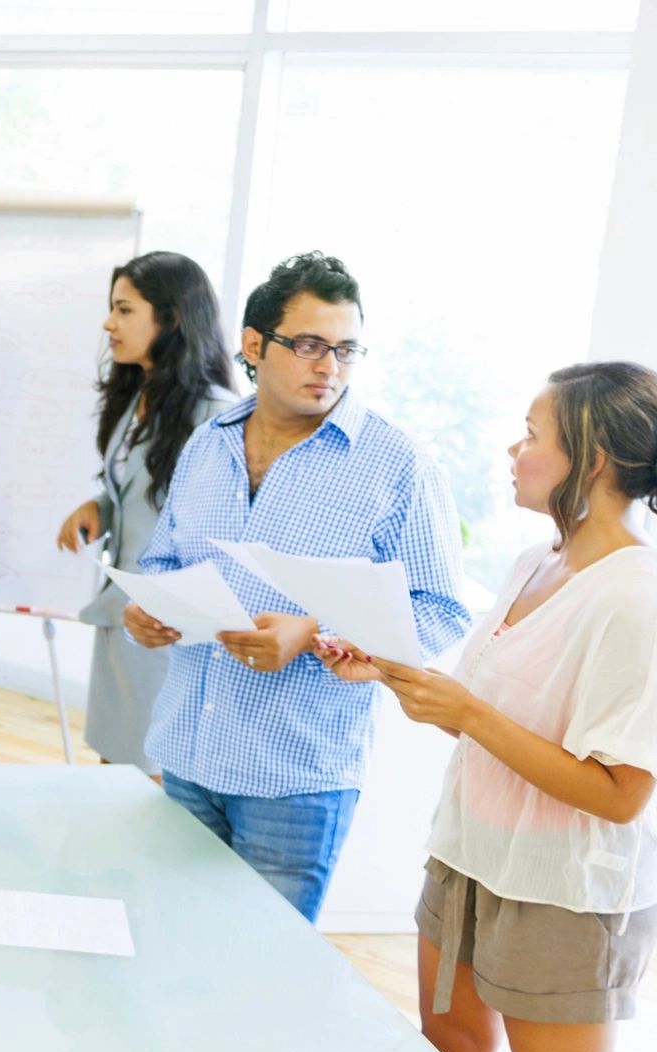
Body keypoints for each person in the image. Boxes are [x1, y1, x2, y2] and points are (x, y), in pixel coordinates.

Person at [317, 363, 657, 1052]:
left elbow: (619, 795)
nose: (514, 449)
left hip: (563, 893)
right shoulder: (531, 562)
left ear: (593, 460)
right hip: (468, 855)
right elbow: (474, 713)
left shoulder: (636, 599)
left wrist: (468, 711)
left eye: (533, 433)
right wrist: (387, 669)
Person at [124, 251, 470, 921]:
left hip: (296, 781)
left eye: (346, 350)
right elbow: (165, 559)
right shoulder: (207, 442)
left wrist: (317, 632)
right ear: (254, 345)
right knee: (176, 947)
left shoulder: (398, 464)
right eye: (310, 345)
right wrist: (150, 608)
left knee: (263, 981)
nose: (329, 367)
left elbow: (440, 609)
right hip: (188, 754)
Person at [54, 252, 240, 773]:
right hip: (124, 616)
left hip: (168, 629)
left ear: (172, 317)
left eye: (124, 309)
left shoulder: (217, 418)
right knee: (115, 759)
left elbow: (214, 534)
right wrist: (100, 508)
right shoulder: (138, 395)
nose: (108, 323)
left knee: (155, 772)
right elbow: (134, 485)